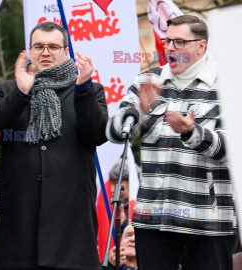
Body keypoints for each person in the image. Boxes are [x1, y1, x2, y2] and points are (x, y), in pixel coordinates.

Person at [106, 15, 235, 269]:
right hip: (153, 221)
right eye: (167, 41)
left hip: (207, 223)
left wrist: (192, 132)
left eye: (179, 42)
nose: (170, 48)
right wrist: (139, 110)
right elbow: (114, 132)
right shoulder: (147, 82)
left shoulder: (228, 85)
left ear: (201, 45)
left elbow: (230, 150)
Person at [0, 22, 108, 269]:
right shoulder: (8, 89)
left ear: (66, 51)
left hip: (71, 224)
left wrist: (84, 90)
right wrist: (21, 93)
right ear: (30, 50)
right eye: (39, 46)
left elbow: (97, 135)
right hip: (19, 223)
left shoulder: (88, 90)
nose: (45, 52)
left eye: (53, 47)